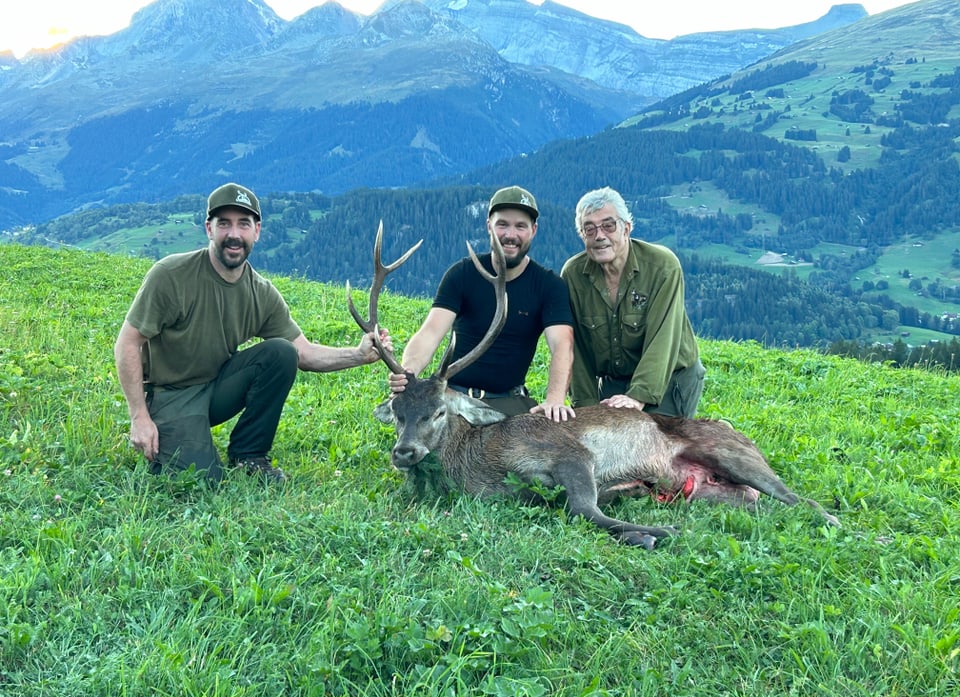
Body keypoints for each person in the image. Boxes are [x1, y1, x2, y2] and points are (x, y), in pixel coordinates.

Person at [114, 182, 390, 483]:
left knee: (281, 353)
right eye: (224, 224)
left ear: (257, 231)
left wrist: (359, 354)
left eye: (243, 224)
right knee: (202, 481)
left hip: (216, 387)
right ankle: (175, 435)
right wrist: (139, 417)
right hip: (170, 396)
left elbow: (304, 353)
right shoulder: (170, 275)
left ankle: (249, 455)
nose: (234, 235)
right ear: (209, 229)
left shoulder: (261, 292)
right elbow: (128, 343)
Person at [388, 186, 575, 421]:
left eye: (520, 226)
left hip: (508, 403)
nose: (510, 235)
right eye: (502, 224)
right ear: (489, 226)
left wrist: (555, 399)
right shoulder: (463, 274)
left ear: (533, 230)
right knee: (421, 451)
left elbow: (562, 346)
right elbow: (430, 333)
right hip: (453, 399)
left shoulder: (548, 286)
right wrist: (409, 373)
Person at [560, 186, 704, 418]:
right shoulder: (573, 276)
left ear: (626, 228)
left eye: (609, 225)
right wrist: (586, 409)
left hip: (669, 379)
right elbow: (576, 348)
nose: (599, 236)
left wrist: (639, 397)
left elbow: (663, 337)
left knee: (656, 446)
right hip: (615, 383)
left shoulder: (663, 267)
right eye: (589, 229)